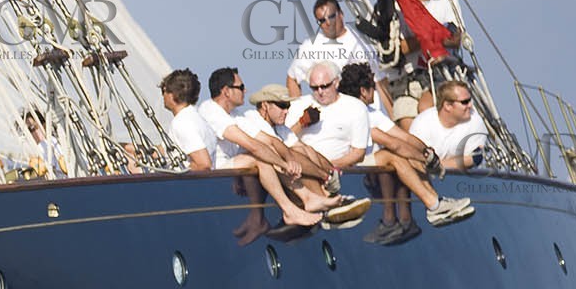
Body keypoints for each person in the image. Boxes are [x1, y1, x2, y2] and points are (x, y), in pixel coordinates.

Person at [338, 63, 472, 240]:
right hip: (347, 166)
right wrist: (423, 158)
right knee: (392, 155)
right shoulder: (352, 112)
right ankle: (431, 206)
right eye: (372, 88)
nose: (375, 93)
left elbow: (404, 137)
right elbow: (392, 143)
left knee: (403, 154)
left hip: (367, 163)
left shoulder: (370, 112)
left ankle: (430, 207)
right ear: (364, 91)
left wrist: (426, 152)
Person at [201, 68, 324, 236]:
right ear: (226, 91)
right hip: (212, 173)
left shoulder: (235, 114)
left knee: (271, 152)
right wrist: (284, 164)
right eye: (241, 86)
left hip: (232, 169)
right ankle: (290, 210)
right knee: (261, 158)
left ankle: (308, 198)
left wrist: (287, 159)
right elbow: (252, 146)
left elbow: (269, 141)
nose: (245, 90)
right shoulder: (211, 111)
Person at [284, 61, 373, 226]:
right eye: (314, 88)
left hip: (337, 171)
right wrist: (301, 123)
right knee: (300, 152)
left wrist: (327, 166)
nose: (320, 92)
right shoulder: (298, 105)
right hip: (305, 169)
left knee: (305, 157)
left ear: (336, 82)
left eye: (324, 86)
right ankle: (330, 205)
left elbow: (358, 153)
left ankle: (327, 206)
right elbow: (281, 141)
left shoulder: (355, 107)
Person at [287, 0, 389, 116]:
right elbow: (292, 78)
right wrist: (297, 112)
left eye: (331, 16)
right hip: (332, 117)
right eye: (322, 20)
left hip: (369, 113)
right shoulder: (311, 47)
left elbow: (379, 79)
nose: (328, 23)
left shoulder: (362, 37)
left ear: (341, 14)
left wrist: (393, 116)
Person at [408, 79, 488, 172]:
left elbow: (475, 157)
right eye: (465, 102)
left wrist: (438, 165)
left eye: (470, 100)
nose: (470, 106)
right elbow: (413, 158)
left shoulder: (475, 120)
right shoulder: (422, 123)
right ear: (448, 106)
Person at [160, 69, 217, 172]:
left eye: (163, 90)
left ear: (172, 95)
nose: (162, 95)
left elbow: (204, 164)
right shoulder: (195, 117)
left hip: (186, 185)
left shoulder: (182, 123)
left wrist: (176, 171)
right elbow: (165, 150)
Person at [22, 108, 67, 179]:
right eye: (29, 130)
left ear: (44, 124)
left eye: (34, 127)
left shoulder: (50, 143)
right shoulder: (38, 149)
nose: (33, 133)